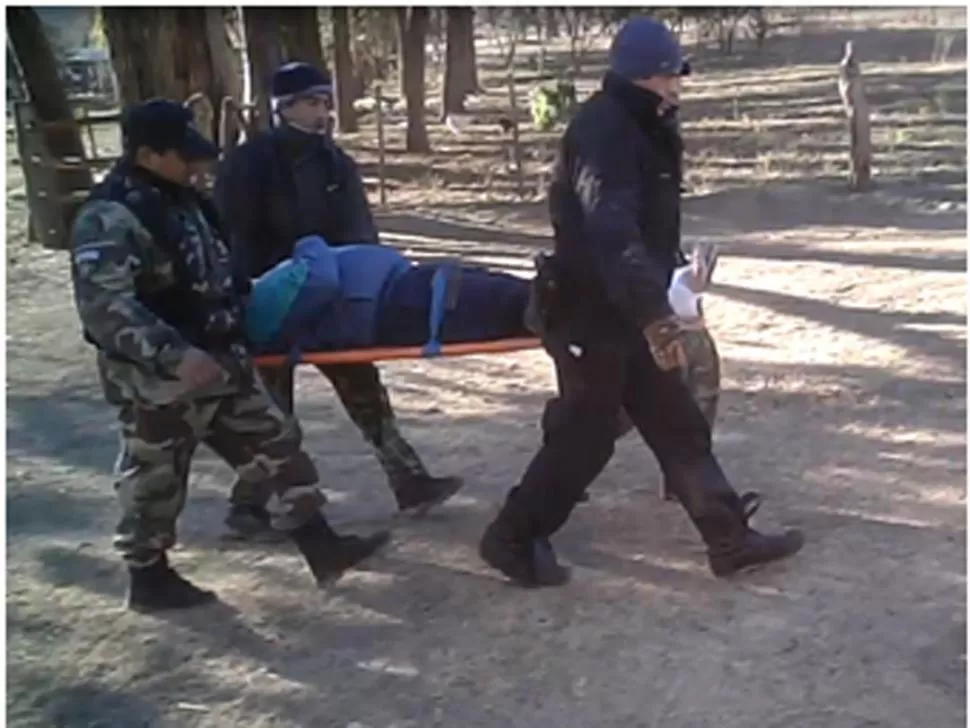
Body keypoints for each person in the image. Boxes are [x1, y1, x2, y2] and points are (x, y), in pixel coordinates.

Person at [478, 17, 805, 587]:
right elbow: (610, 228)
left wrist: (669, 282)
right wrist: (656, 313)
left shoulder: (645, 125)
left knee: (676, 422)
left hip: (626, 309)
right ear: (644, 76)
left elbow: (646, 228)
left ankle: (727, 539)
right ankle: (510, 538)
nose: (677, 84)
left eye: (677, 73)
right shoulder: (605, 131)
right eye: (669, 74)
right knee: (586, 437)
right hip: (589, 310)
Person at [69, 99, 388, 612]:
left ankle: (321, 543)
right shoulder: (110, 216)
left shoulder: (182, 201)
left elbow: (215, 272)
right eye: (183, 155)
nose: (196, 165)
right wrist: (174, 356)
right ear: (148, 154)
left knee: (277, 444)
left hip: (221, 362)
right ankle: (148, 575)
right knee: (156, 474)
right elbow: (105, 307)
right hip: (162, 380)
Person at [215, 62, 462, 540]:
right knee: (273, 415)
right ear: (283, 107)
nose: (323, 111)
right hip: (269, 299)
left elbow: (359, 231)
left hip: (333, 298)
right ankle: (246, 507)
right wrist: (253, 291)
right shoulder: (248, 164)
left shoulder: (335, 163)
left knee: (365, 390)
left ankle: (409, 481)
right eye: (311, 101)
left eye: (326, 101)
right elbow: (232, 234)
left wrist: (365, 282)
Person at [244, 235, 533, 356]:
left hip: (403, 295)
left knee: (519, 300)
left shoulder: (259, 300)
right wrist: (309, 243)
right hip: (401, 302)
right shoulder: (259, 302)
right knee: (519, 303)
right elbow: (322, 281)